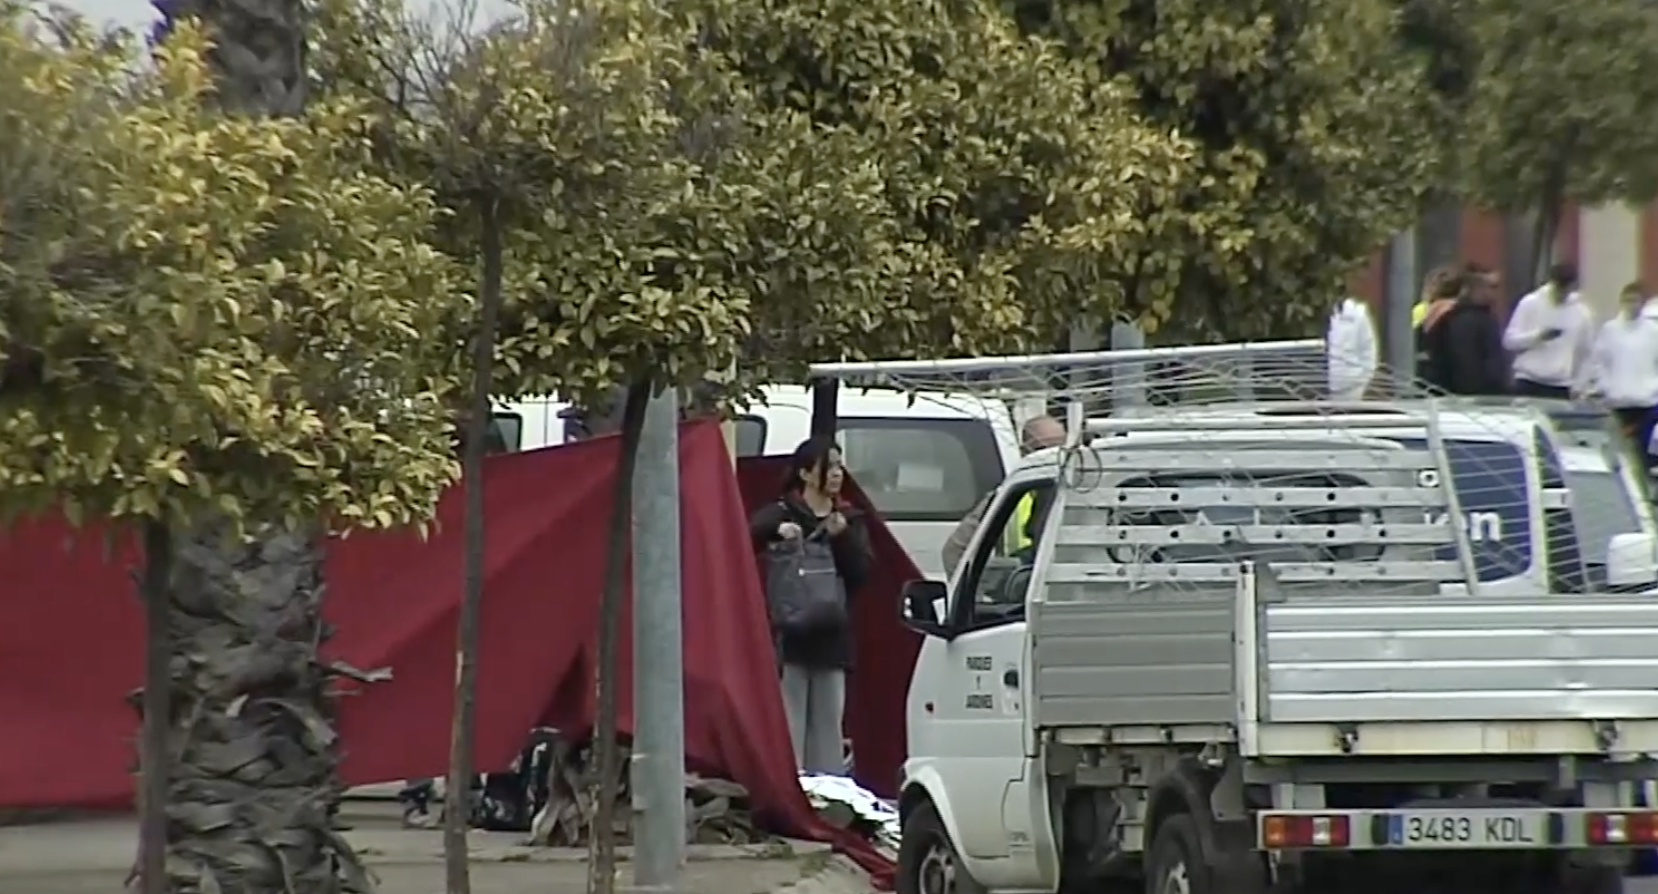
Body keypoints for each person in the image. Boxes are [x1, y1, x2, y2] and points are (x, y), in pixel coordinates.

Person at [749, 437, 872, 774]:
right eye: (828, 466)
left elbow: (861, 573)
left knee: (828, 727)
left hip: (832, 636)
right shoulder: (783, 511)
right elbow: (748, 534)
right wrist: (777, 529)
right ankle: (794, 792)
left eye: (838, 466)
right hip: (792, 636)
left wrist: (842, 537)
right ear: (805, 473)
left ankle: (827, 799)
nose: (836, 474)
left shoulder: (847, 517)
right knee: (790, 724)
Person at [942, 416, 1066, 575]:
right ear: (1024, 451)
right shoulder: (1010, 493)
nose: (1053, 456)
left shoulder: (1088, 493)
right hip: (1024, 587)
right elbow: (955, 552)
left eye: (1060, 448)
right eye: (1043, 449)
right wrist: (974, 596)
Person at [1586, 282, 1658, 469]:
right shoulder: (1610, 330)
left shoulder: (1653, 331)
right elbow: (1599, 362)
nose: (1631, 304)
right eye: (1627, 300)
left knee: (1643, 450)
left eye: (1635, 300)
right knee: (1618, 449)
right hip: (1616, 402)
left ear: (1643, 303)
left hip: (1646, 402)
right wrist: (1605, 387)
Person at [1504, 262, 1595, 400]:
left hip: (1560, 385)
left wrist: (1579, 385)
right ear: (1552, 283)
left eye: (1566, 290)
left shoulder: (1582, 314)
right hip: (1528, 380)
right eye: (1558, 289)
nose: (1562, 294)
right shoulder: (1530, 303)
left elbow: (1587, 353)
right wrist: (1537, 336)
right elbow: (1509, 341)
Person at [1422, 265, 1507, 395]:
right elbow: (1466, 364)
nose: (1496, 294)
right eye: (1492, 287)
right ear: (1476, 287)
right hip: (1471, 400)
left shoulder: (1484, 317)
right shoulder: (1463, 319)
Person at [1326, 294, 1378, 400]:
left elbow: (1368, 349)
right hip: (1315, 384)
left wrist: (1361, 380)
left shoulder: (1357, 313)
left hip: (1351, 387)